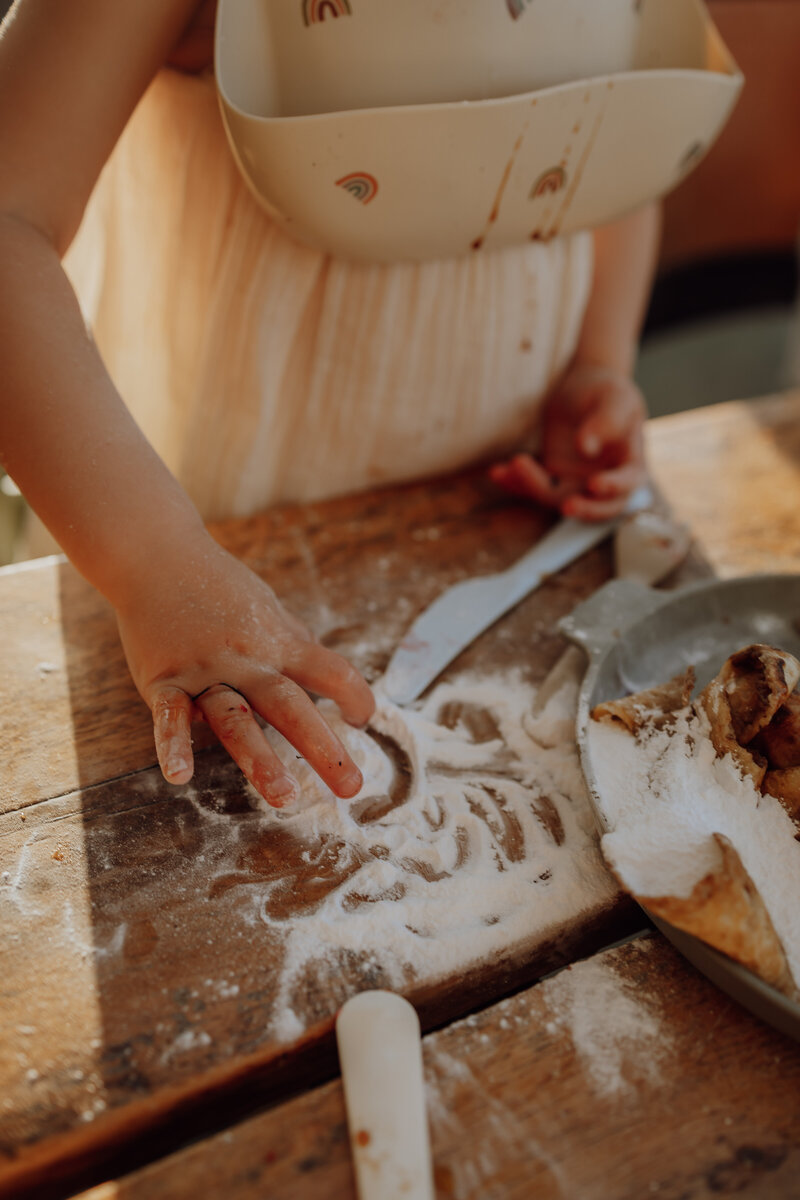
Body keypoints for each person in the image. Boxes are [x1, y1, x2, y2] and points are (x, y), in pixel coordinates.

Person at [0, 0, 657, 808]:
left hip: (498, 518)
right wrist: (152, 564)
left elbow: (621, 137)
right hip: (197, 575)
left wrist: (596, 360)